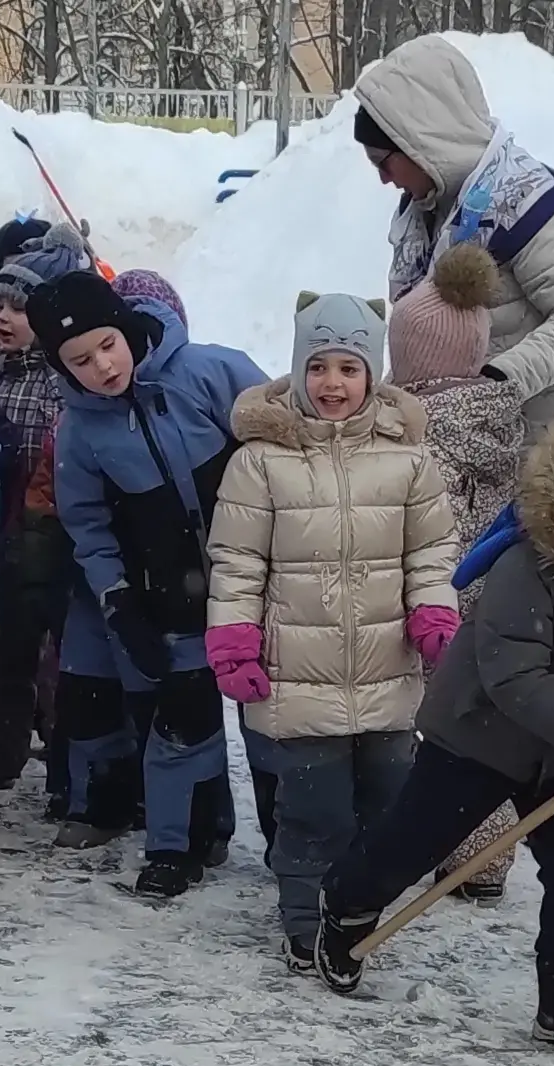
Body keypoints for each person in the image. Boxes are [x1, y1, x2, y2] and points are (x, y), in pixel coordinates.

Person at [315, 420, 554, 1062]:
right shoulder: (530, 565)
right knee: (411, 844)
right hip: (481, 734)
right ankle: (347, 905)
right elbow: (516, 677)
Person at [207, 292, 460, 972]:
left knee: (387, 803)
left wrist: (433, 612)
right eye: (317, 366)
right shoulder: (261, 460)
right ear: (297, 369)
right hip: (297, 675)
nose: (332, 383)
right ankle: (303, 917)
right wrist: (233, 638)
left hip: (386, 671)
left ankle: (355, 911)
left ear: (371, 372)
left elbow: (430, 553)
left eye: (349, 367)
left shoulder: (407, 459)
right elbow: (237, 562)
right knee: (313, 811)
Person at [29, 270, 268, 897]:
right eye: (80, 361)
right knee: (183, 718)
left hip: (255, 576)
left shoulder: (210, 372)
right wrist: (118, 601)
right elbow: (87, 526)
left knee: (278, 718)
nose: (103, 367)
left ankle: (298, 844)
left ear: (125, 326)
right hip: (168, 593)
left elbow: (283, 440)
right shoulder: (81, 432)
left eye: (107, 345)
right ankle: (179, 844)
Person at [352, 34, 554, 437]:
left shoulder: (523, 201)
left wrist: (497, 382)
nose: (384, 179)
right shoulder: (425, 212)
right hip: (476, 431)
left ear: (421, 143)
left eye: (383, 163)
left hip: (547, 432)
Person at [389, 242, 528, 905]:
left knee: (431, 729)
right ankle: (485, 858)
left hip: (431, 601)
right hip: (488, 599)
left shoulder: (419, 436)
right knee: (481, 725)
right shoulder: (496, 419)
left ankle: (436, 843)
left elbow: (414, 524)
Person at [0, 224, 92, 792]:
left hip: (57, 536)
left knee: (67, 665)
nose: (4, 318)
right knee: (5, 656)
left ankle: (70, 771)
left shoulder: (62, 384)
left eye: (19, 308)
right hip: (5, 533)